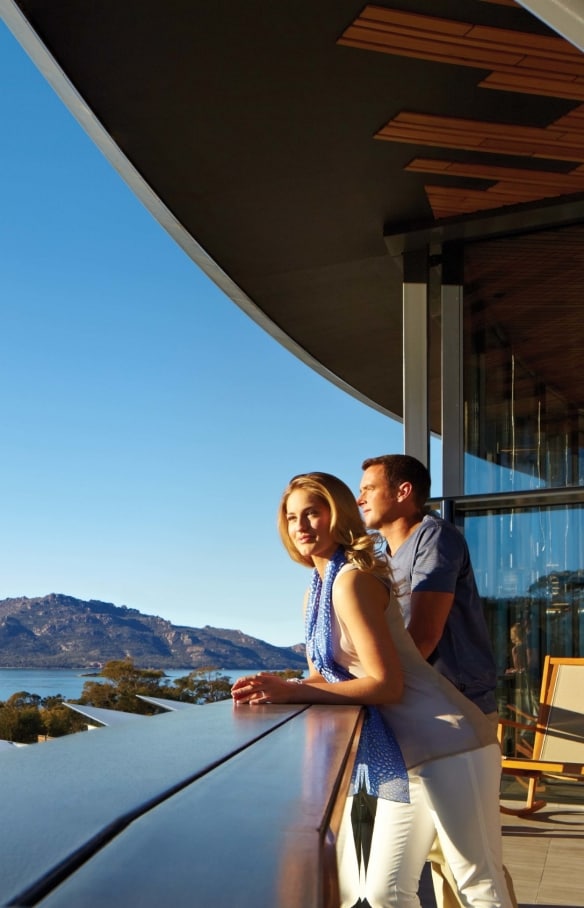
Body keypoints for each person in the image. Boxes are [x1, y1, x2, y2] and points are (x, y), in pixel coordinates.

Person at [232, 472, 513, 908]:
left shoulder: (352, 581)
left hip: (451, 744)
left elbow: (386, 684)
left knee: (478, 885)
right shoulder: (317, 591)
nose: (301, 525)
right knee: (382, 891)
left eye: (312, 513)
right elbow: (324, 677)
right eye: (291, 518)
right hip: (404, 759)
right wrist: (274, 687)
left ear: (338, 515)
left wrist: (292, 691)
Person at [358, 455, 516, 908]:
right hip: (409, 728)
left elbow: (422, 637)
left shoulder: (435, 538)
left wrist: (373, 683)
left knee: (471, 872)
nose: (360, 496)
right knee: (395, 884)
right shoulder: (380, 557)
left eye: (369, 487)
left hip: (455, 717)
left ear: (403, 492)